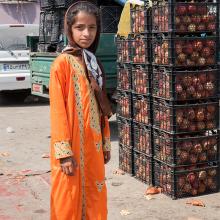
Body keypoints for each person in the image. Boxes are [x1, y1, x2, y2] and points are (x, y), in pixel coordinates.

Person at [49, 1, 112, 219]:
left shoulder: (92, 62)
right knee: (69, 197)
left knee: (95, 196)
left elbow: (101, 108)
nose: (86, 33)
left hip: (93, 147)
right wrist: (64, 153)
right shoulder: (62, 64)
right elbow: (57, 111)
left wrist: (105, 141)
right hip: (72, 148)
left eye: (92, 27)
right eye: (80, 27)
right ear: (69, 29)